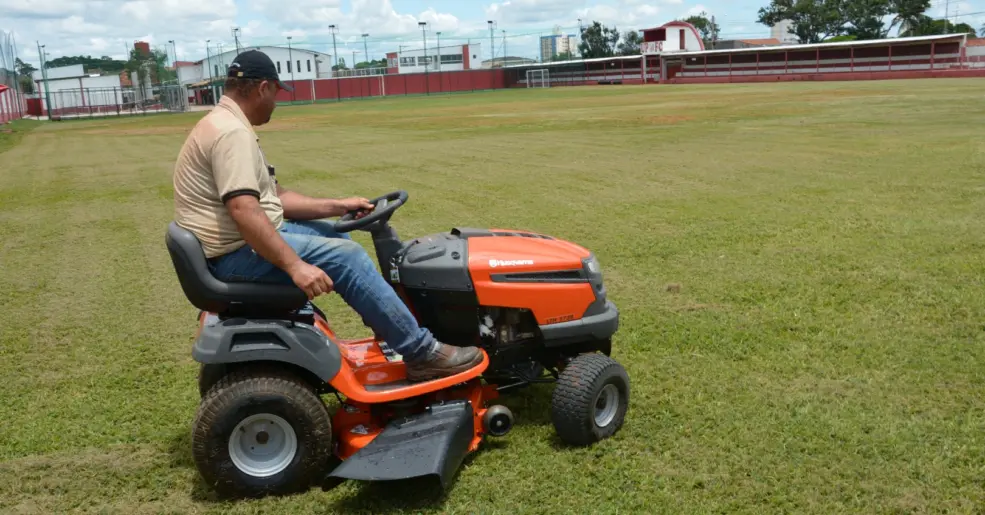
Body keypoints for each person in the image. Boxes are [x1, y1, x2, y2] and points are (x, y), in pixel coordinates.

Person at [172, 50, 483, 382]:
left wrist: (338, 206)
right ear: (262, 87)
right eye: (276, 92)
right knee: (348, 258)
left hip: (226, 250)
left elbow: (274, 198)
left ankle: (388, 323)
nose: (277, 102)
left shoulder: (223, 122)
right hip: (231, 258)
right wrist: (296, 267)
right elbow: (244, 211)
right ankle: (422, 353)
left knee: (337, 236)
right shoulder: (231, 133)